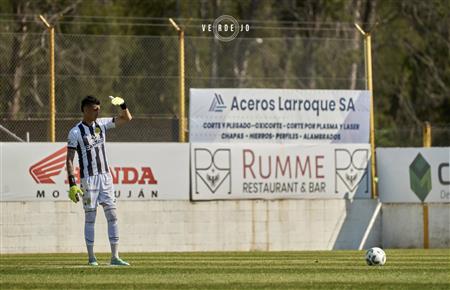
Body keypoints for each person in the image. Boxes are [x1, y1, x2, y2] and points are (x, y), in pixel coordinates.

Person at [66, 95, 132, 266]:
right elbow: (69, 159)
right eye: (94, 110)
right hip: (89, 179)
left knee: (113, 215)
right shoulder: (75, 132)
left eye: (98, 110)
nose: (97, 112)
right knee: (90, 217)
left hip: (105, 177)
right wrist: (72, 184)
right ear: (86, 110)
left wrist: (123, 105)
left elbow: (127, 118)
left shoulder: (102, 124)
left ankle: (115, 257)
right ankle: (91, 258)